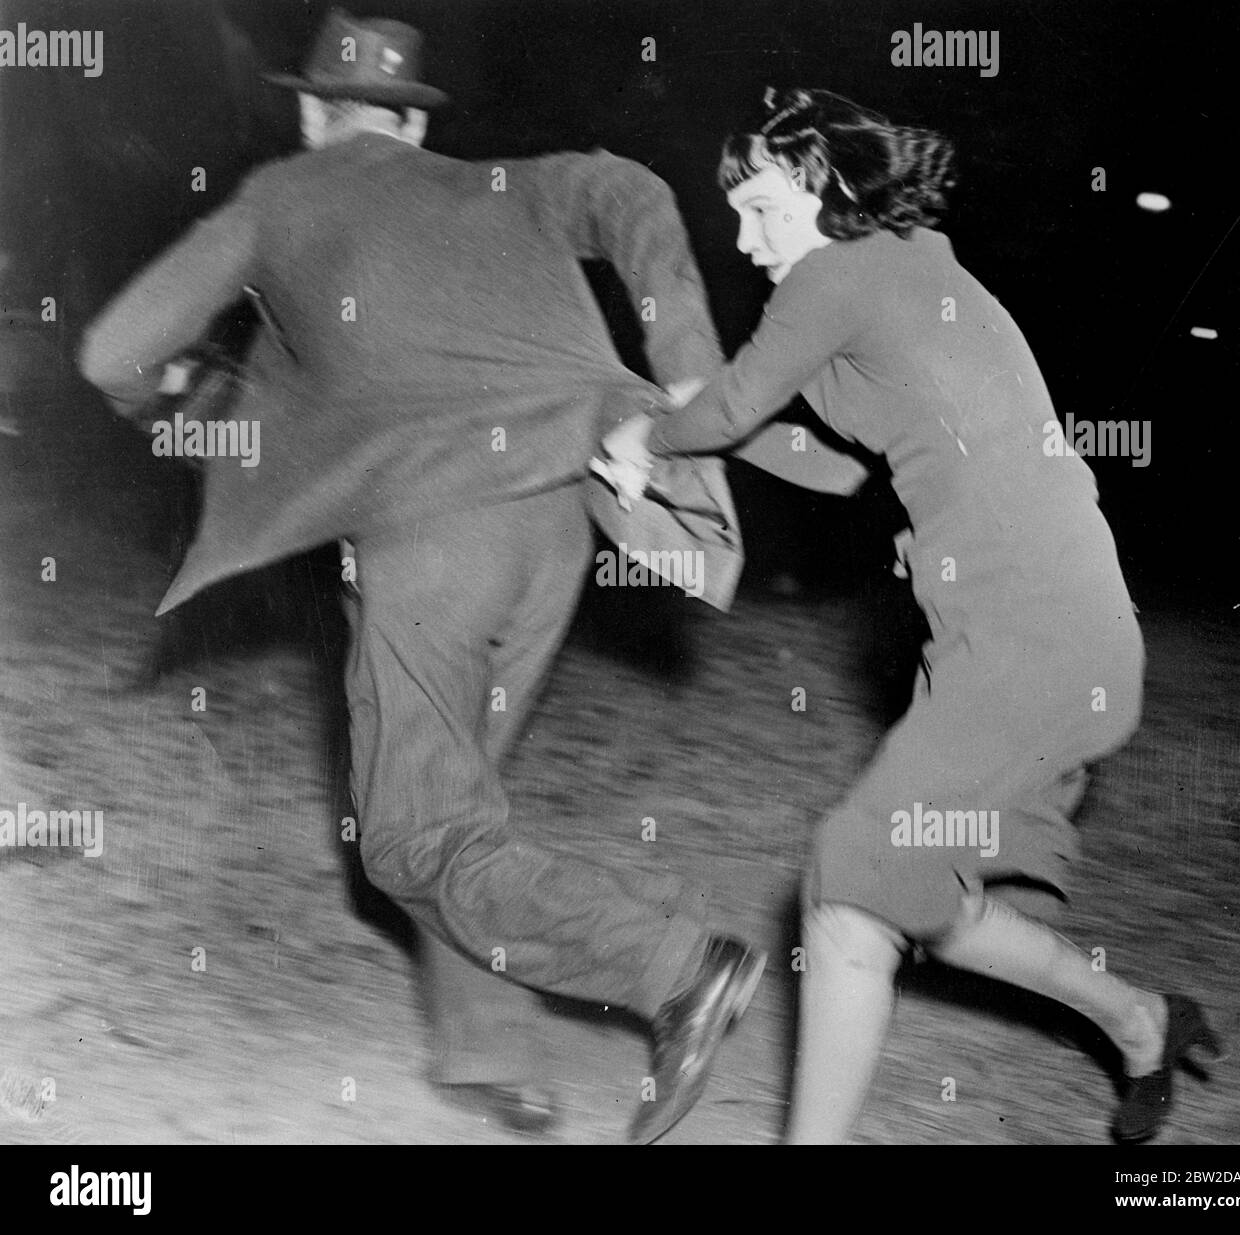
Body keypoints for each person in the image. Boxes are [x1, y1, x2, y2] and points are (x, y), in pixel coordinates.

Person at [78, 9, 766, 1143]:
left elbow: (110, 351)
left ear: (314, 111)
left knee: (412, 838)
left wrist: (166, 402)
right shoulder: (508, 182)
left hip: (431, 528)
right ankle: (492, 1052)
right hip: (570, 506)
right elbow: (634, 190)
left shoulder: (277, 197)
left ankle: (677, 962)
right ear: (408, 118)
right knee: (458, 793)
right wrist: (688, 379)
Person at [603, 87, 1220, 1144]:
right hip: (1038, 632)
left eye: (760, 208)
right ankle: (1143, 1019)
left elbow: (734, 406)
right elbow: (835, 469)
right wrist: (678, 425)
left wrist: (647, 436)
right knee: (908, 890)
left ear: (825, 185)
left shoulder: (838, 276)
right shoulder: (912, 271)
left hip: (1028, 637)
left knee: (848, 883)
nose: (745, 240)